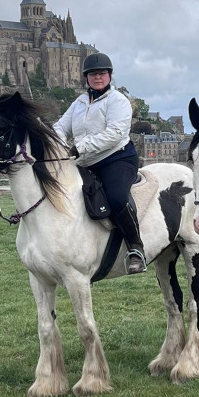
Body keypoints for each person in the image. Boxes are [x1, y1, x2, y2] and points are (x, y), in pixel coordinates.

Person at [53, 52, 146, 274]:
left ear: (109, 76)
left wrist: (80, 147)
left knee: (116, 197)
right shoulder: (79, 102)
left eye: (102, 73)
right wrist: (54, 142)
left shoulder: (119, 101)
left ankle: (135, 247)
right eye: (93, 74)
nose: (98, 77)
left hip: (117, 158)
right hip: (85, 162)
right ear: (86, 78)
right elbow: (60, 126)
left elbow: (114, 134)